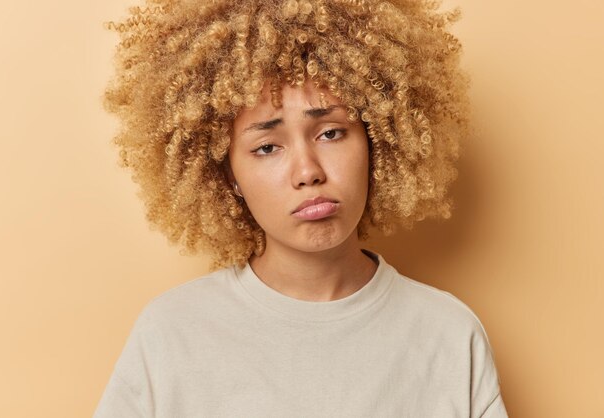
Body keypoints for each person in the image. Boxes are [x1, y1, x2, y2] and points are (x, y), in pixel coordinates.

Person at [95, 0, 508, 416]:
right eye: (267, 147)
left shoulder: (449, 335)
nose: (308, 172)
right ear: (227, 176)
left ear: (378, 141)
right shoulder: (171, 333)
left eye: (330, 133)